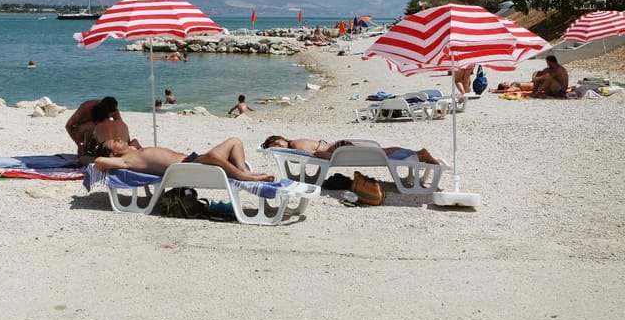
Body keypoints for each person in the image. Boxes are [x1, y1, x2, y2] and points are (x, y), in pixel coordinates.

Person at [93, 137, 274, 182]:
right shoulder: (126, 160)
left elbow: (133, 143)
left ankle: (243, 171)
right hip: (184, 168)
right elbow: (100, 161)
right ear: (113, 154)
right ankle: (244, 177)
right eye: (113, 142)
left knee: (236, 142)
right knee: (214, 156)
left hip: (190, 160)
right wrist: (107, 157)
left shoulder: (134, 150)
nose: (118, 138)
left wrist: (130, 147)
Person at [261, 135, 441, 165]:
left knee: (382, 154)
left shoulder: (295, 145)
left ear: (282, 138)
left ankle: (420, 155)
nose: (278, 146)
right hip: (340, 147)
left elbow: (315, 154)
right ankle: (418, 154)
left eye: (276, 142)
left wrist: (331, 159)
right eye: (274, 147)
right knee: (381, 153)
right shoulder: (296, 143)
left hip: (339, 150)